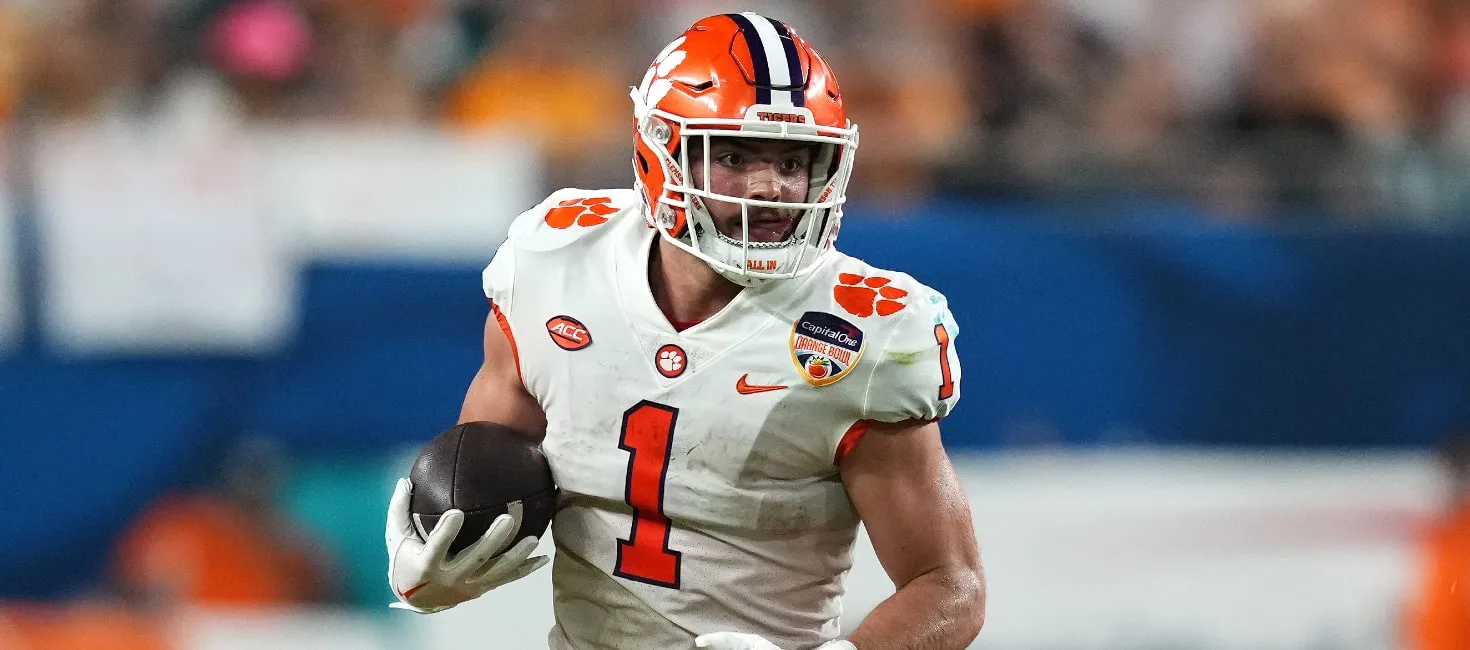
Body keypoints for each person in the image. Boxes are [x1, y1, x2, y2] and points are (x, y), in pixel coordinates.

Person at [385, 12, 986, 650]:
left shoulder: (863, 332)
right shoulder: (557, 260)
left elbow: (949, 584)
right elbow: (482, 474)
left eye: (793, 160)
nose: (770, 187)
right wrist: (435, 563)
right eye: (733, 156)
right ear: (660, 153)